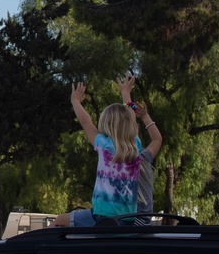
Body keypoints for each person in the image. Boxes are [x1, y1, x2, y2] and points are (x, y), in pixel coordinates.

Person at [53, 76, 150, 227]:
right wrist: (126, 93)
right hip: (128, 221)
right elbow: (131, 115)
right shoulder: (135, 145)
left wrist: (75, 102)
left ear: (106, 124)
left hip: (100, 218)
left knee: (59, 221)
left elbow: (86, 121)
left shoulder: (103, 145)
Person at [117, 72, 163, 218]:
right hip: (145, 221)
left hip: (126, 219)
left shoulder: (115, 160)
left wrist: (125, 94)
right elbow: (157, 139)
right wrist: (145, 116)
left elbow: (130, 120)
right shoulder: (143, 158)